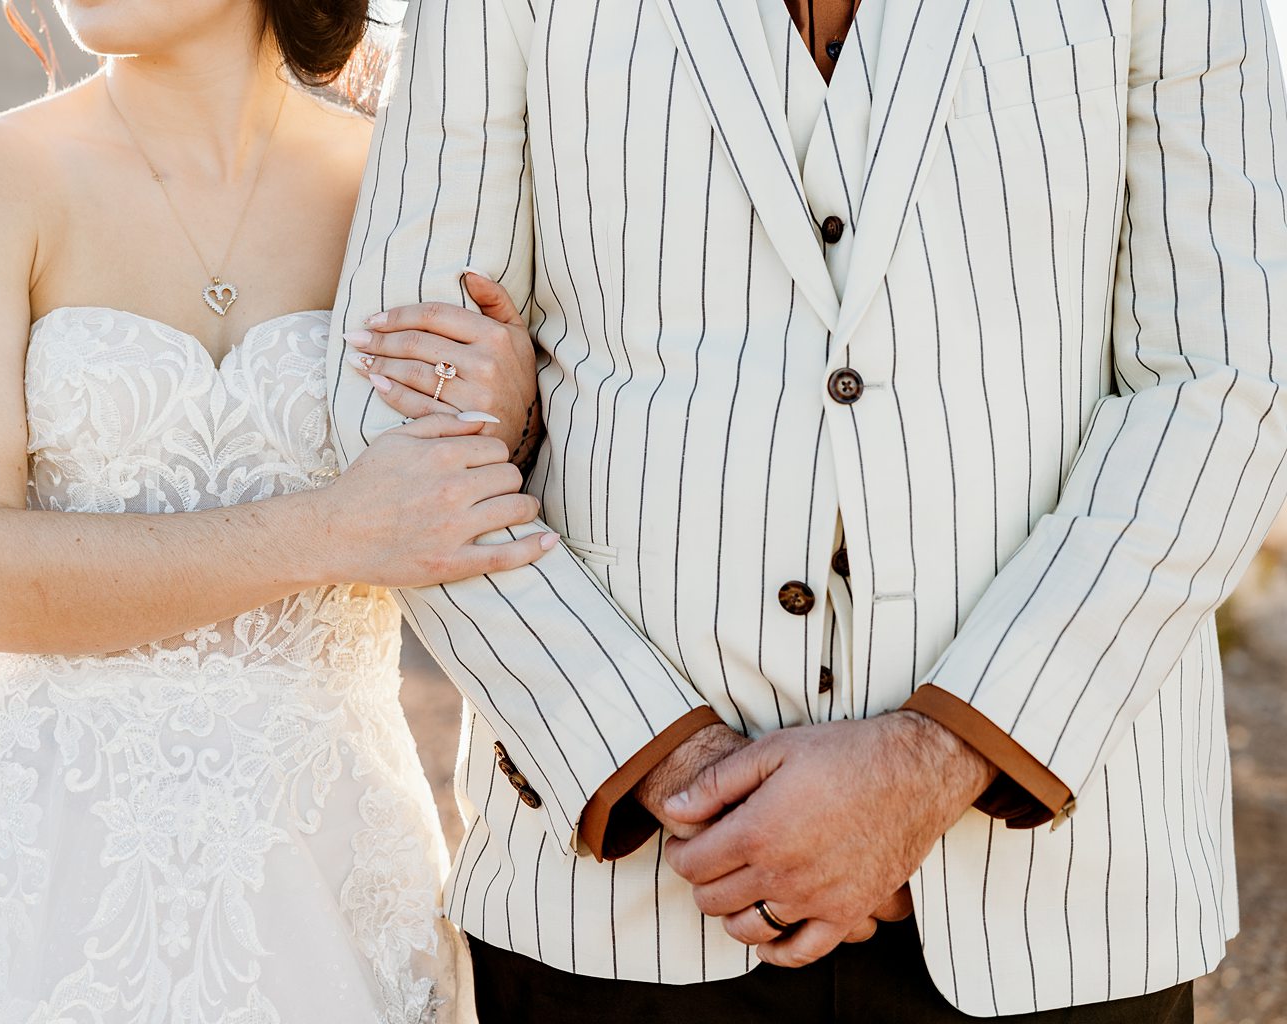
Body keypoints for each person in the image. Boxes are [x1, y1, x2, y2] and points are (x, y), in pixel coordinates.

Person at [329, 0, 1287, 1019]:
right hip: (618, 895)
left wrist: (939, 753)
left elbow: (1226, 383)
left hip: (1057, 895)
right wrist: (669, 760)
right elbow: (397, 401)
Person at [0, 1, 546, 1020]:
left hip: (324, 844)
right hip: (25, 859)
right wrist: (334, 526)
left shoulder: (407, 191)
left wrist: (519, 417)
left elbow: (500, 500)